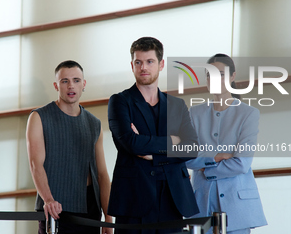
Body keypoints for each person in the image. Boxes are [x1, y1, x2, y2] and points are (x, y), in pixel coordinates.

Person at [107, 37, 199, 234]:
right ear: (132, 65)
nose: (143, 68)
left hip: (173, 197)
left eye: (150, 62)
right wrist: (173, 141)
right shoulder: (120, 102)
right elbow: (132, 143)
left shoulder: (177, 105)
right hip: (134, 198)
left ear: (161, 64)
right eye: (138, 62)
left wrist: (154, 154)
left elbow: (192, 148)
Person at [26, 60, 113, 234]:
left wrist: (108, 218)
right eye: (65, 81)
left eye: (76, 80)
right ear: (56, 86)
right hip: (55, 209)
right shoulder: (39, 117)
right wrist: (48, 200)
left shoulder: (94, 124)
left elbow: (102, 175)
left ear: (84, 84)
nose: (71, 86)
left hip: (90, 209)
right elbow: (36, 165)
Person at [186, 54, 267, 234]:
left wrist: (205, 167)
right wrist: (215, 158)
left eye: (221, 74)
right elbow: (184, 157)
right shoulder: (195, 113)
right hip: (201, 206)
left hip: (237, 208)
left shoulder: (248, 113)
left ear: (232, 77)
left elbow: (242, 163)